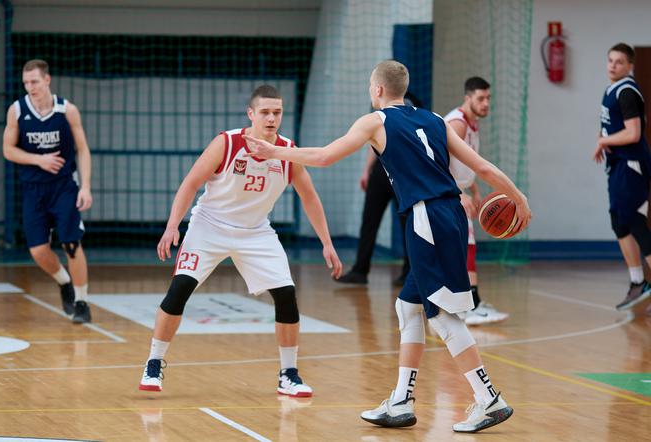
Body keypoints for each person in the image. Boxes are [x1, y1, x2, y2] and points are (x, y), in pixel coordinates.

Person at [244, 60, 531, 433]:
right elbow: (483, 167)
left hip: (426, 216)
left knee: (441, 316)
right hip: (452, 216)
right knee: (407, 307)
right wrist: (518, 196)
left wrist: (275, 153)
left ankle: (487, 397)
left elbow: (326, 156)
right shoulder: (435, 120)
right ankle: (400, 401)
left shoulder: (376, 122)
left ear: (377, 89)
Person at [138, 85, 342, 397]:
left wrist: (326, 242)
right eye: (265, 112)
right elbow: (190, 183)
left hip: (255, 231)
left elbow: (309, 197)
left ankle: (288, 374)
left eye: (277, 112)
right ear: (251, 114)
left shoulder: (287, 151)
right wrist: (172, 226)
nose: (272, 118)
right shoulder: (227, 142)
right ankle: (154, 363)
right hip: (209, 226)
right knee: (180, 288)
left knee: (286, 295)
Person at [2, 59, 93, 323]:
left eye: (34, 82)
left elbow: (83, 150)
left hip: (64, 186)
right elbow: (8, 150)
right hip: (33, 189)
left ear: (47, 80)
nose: (30, 87)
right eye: (26, 83)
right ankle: (64, 282)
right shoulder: (17, 110)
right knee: (38, 251)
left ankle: (82, 302)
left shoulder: (68, 111)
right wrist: (38, 160)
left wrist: (85, 187)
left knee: (71, 244)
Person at [336, 93, 420, 287]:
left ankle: (409, 273)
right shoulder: (378, 109)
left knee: (407, 225)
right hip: (380, 174)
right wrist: (367, 170)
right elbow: (372, 143)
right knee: (369, 222)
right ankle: (360, 270)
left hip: (403, 174)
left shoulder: (411, 105)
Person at [446, 77, 509, 325]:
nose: (485, 103)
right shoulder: (457, 124)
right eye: (480, 98)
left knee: (464, 248)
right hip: (445, 193)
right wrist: (459, 193)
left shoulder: (472, 124)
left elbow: (463, 162)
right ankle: (467, 304)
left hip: (455, 190)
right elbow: (438, 163)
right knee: (464, 248)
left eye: (488, 98)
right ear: (467, 98)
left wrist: (473, 188)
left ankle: (468, 302)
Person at [593, 43, 651, 310]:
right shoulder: (611, 90)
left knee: (636, 224)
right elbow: (609, 128)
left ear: (630, 66)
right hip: (618, 166)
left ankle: (642, 282)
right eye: (610, 60)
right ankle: (638, 282)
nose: (612, 65)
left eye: (619, 62)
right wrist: (601, 142)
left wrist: (604, 142)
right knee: (620, 224)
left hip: (632, 166)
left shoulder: (627, 91)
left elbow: (633, 134)